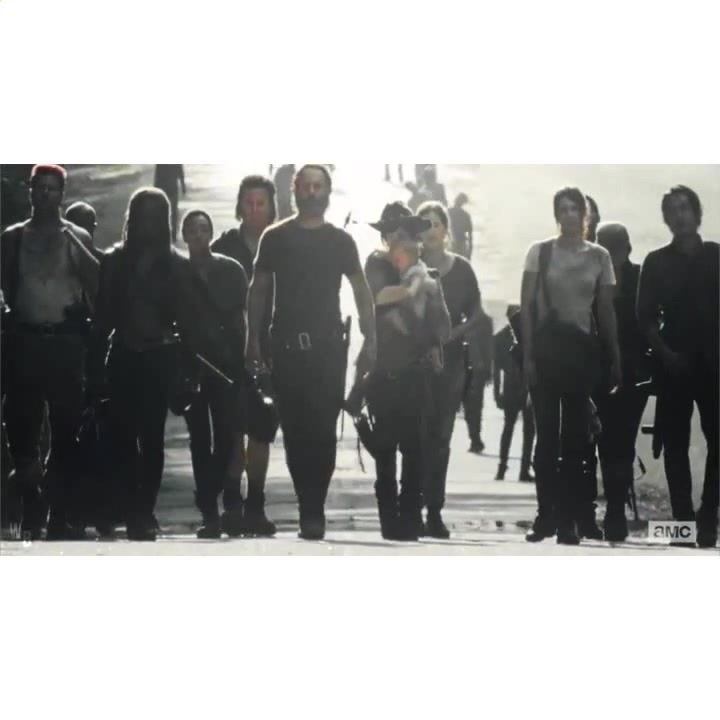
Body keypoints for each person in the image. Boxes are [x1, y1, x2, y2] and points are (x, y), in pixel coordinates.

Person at [246, 165, 376, 541]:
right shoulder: (275, 237)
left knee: (322, 430)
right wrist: (252, 341)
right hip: (286, 350)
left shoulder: (340, 241)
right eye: (306, 186)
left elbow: (361, 289)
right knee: (295, 431)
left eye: (319, 186)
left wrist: (371, 337)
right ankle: (307, 502)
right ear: (295, 191)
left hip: (327, 351)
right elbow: (258, 289)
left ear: (328, 192)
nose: (313, 192)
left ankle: (314, 507)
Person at [1, 164, 100, 540]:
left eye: (51, 189)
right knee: (21, 430)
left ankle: (60, 513)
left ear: (62, 194)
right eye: (38, 187)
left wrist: (79, 251)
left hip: (64, 344)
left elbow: (98, 287)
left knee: (65, 431)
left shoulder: (75, 236)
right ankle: (32, 501)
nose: (44, 194)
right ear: (29, 191)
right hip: (24, 343)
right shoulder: (13, 238)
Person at [521, 188, 621, 546]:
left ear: (585, 214)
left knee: (576, 441)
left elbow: (605, 311)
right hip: (546, 352)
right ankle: (545, 514)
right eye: (562, 209)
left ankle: (569, 520)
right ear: (556, 215)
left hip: (580, 354)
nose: (568, 215)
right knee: (546, 438)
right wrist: (528, 357)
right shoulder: (540, 252)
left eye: (574, 209)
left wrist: (615, 358)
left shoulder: (599, 256)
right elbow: (527, 307)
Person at [91, 187, 192, 541]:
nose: (148, 223)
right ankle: (126, 506)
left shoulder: (178, 265)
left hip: (160, 357)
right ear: (132, 219)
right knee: (121, 436)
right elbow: (103, 315)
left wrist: (185, 370)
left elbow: (186, 321)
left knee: (151, 436)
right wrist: (94, 367)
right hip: (123, 355)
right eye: (142, 215)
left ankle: (143, 511)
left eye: (155, 216)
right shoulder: (114, 260)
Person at [353, 203, 451, 540]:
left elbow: (442, 327)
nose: (397, 238)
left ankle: (410, 519)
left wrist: (429, 292)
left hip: (416, 372)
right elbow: (377, 298)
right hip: (384, 372)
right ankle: (389, 521)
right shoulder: (377, 264)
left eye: (404, 232)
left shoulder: (427, 274)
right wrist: (412, 288)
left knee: (415, 451)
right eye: (392, 232)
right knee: (385, 451)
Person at [637, 186, 719, 548]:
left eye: (685, 208)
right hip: (673, 363)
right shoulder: (656, 262)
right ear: (666, 219)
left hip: (714, 364)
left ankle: (708, 517)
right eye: (673, 210)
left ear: (697, 214)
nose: (680, 215)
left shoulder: (717, 256)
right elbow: (645, 318)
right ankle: (683, 523)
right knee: (674, 445)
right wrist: (666, 354)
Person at [211, 175, 278, 536]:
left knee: (262, 430)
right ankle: (231, 504)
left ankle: (256, 505)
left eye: (261, 203)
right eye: (249, 203)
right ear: (240, 206)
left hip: (272, 349)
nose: (254, 210)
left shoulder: (283, 243)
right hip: (228, 351)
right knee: (233, 430)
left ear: (271, 207)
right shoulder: (224, 246)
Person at [179, 209, 250, 539]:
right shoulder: (176, 273)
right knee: (198, 439)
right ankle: (209, 511)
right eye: (192, 229)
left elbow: (241, 319)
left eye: (203, 229)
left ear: (210, 233)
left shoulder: (230, 270)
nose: (198, 235)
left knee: (225, 435)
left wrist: (245, 358)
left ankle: (217, 490)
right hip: (190, 366)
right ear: (184, 235)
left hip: (225, 366)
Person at [418, 201, 484, 538]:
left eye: (435, 224)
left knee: (441, 438)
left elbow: (476, 313)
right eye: (424, 224)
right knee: (416, 435)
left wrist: (452, 335)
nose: (430, 230)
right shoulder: (409, 266)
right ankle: (411, 506)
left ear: (445, 229)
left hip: (452, 362)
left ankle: (434, 511)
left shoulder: (462, 269)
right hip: (414, 362)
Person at [591, 222, 651, 542]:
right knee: (606, 442)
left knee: (621, 442)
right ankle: (612, 510)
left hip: (632, 373)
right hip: (599, 372)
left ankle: (614, 510)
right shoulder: (591, 279)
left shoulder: (640, 278)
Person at [493, 304, 535, 481]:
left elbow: (496, 369)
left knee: (510, 428)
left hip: (513, 386)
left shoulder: (500, 338)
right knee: (527, 430)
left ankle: (503, 468)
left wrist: (497, 392)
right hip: (524, 386)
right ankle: (522, 469)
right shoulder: (528, 335)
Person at [462, 309, 493, 455]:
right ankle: (475, 438)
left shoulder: (483, 320)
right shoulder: (461, 317)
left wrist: (487, 368)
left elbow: (489, 346)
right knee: (471, 406)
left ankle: (475, 438)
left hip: (476, 369)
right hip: (464, 367)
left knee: (473, 406)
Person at [153, 164, 186, 242]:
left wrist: (155, 188)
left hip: (162, 187)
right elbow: (180, 172)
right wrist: (183, 186)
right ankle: (173, 233)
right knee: (173, 212)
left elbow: (157, 174)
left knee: (163, 211)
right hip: (172, 188)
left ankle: (164, 232)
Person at [448, 193, 474, 259]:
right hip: (461, 244)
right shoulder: (465, 215)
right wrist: (469, 252)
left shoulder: (448, 212)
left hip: (450, 244)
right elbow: (470, 235)